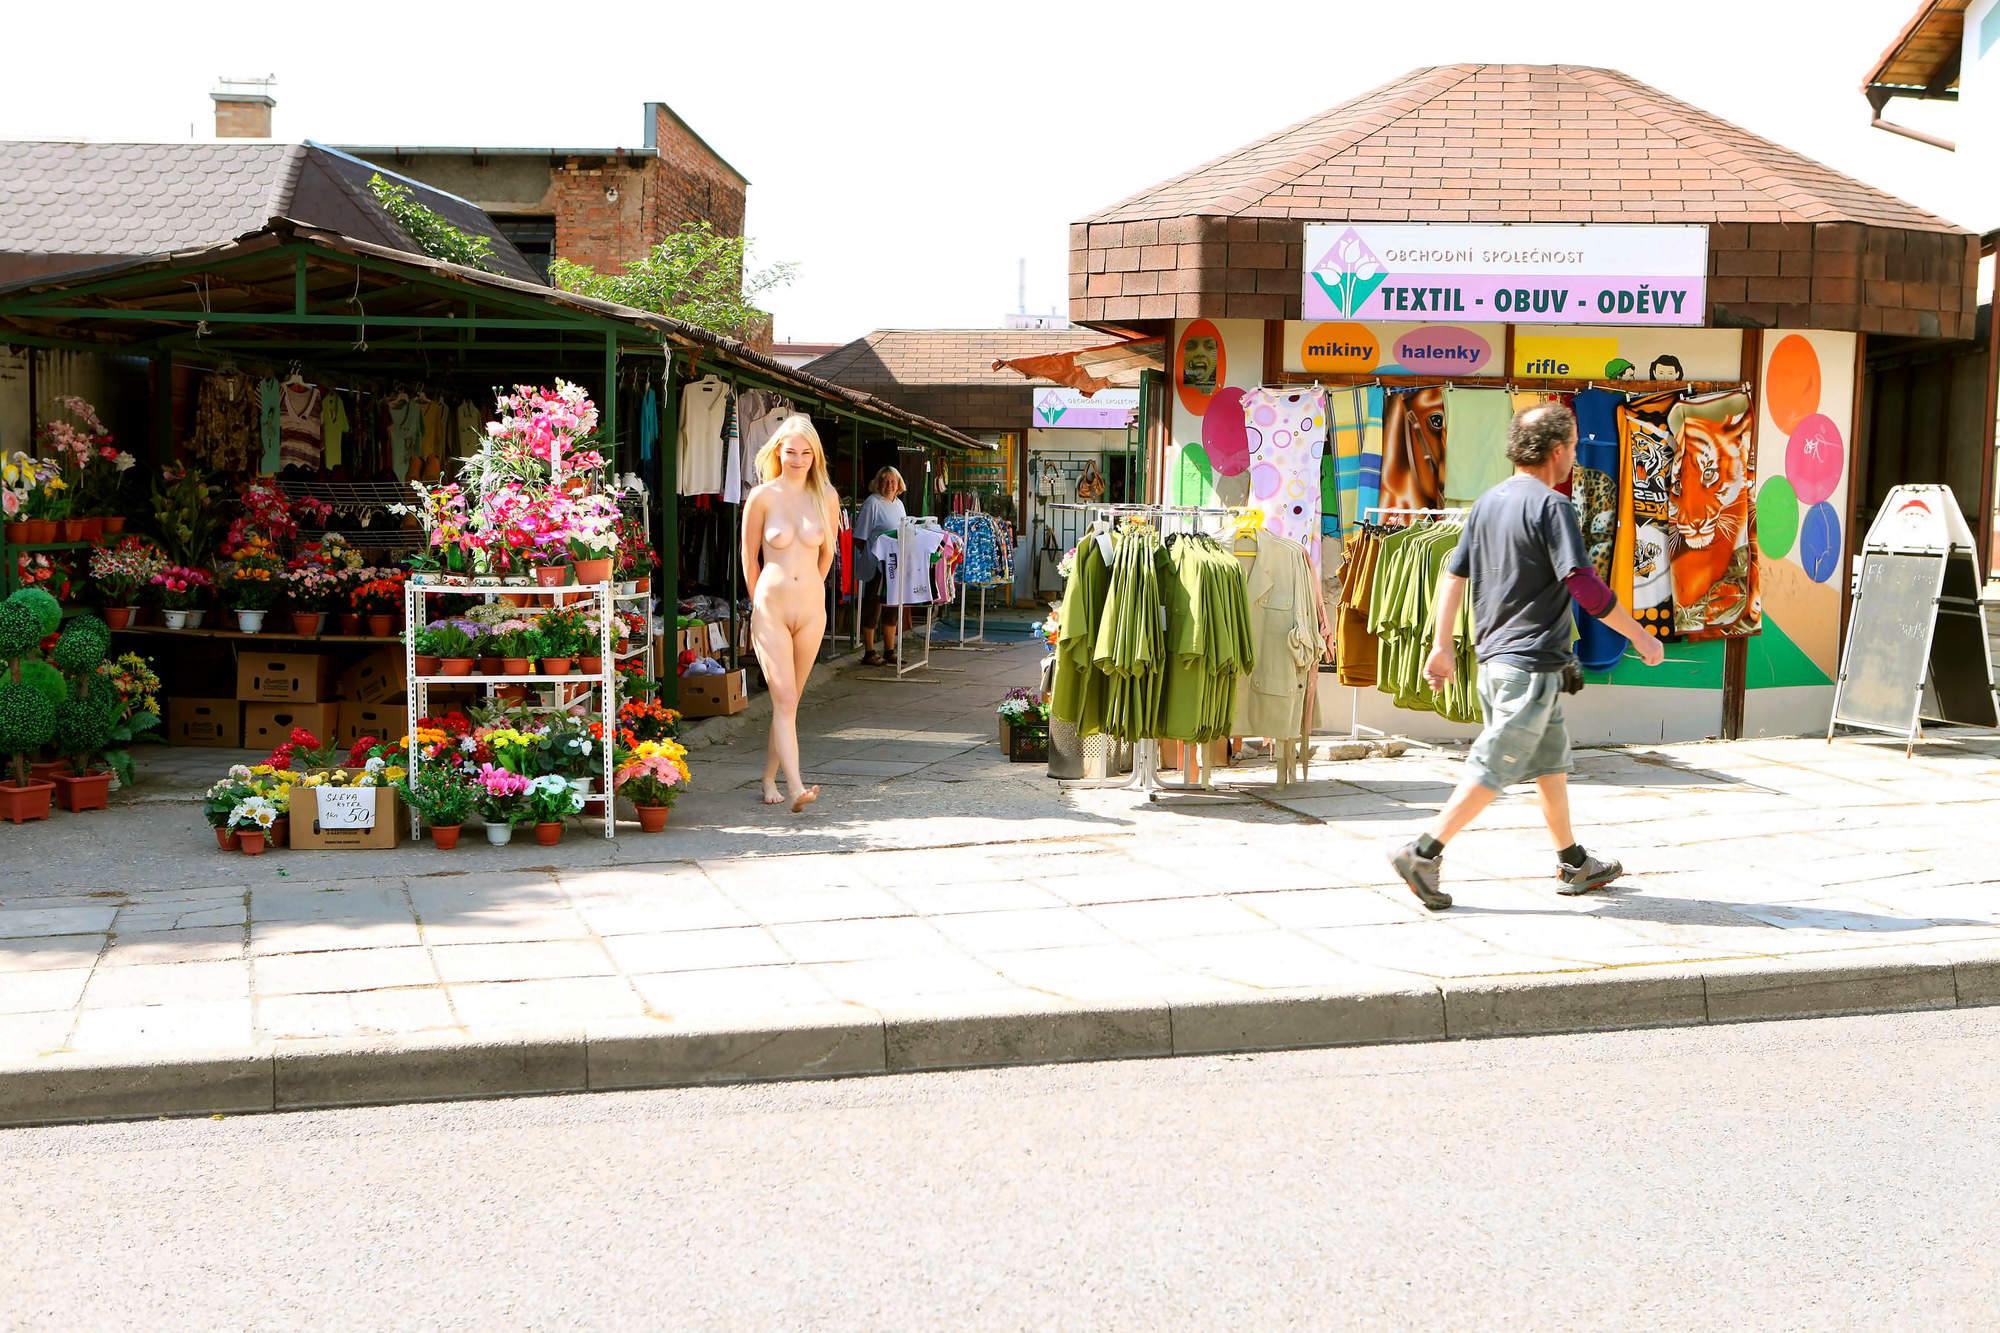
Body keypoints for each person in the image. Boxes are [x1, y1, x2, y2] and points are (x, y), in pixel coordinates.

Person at [1390, 403, 1665, 911]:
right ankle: (1422, 852)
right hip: (1529, 668)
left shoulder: (1488, 503)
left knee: (1548, 764)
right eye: (1574, 447)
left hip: (1498, 663)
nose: (1575, 456)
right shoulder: (1553, 507)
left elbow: (1453, 577)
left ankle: (1573, 861)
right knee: (1494, 765)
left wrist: (1442, 645)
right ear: (1557, 451)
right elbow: (1583, 585)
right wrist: (1641, 637)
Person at [742, 415, 840, 813]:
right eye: (791, 452)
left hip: (811, 610)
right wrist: (759, 603)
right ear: (778, 452)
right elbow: (748, 556)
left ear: (815, 456)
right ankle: (796, 786)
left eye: (806, 453)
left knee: (789, 703)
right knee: (783, 698)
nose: (798, 459)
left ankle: (768, 777)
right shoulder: (762, 496)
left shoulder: (826, 496)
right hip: (772, 609)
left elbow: (828, 553)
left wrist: (812, 588)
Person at [854, 466, 907, 666]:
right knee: (873, 605)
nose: (889, 485)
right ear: (878, 483)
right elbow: (859, 537)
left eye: (893, 481)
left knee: (892, 605)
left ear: (899, 484)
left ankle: (889, 650)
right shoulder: (872, 503)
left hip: (894, 564)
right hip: (876, 564)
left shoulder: (899, 504)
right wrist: (872, 554)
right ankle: (869, 651)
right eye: (885, 480)